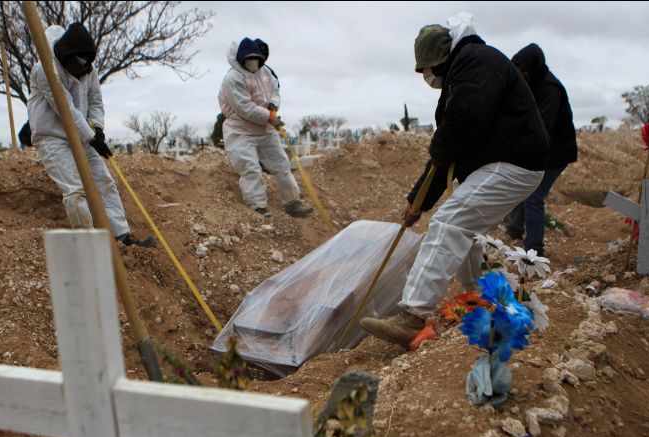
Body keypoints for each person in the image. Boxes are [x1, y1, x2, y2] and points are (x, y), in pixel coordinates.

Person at [360, 13, 550, 347]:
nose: (426, 77)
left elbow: (461, 125)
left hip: (516, 163)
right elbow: (446, 157)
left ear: (440, 60)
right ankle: (480, 297)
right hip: (508, 162)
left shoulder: (474, 62)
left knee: (450, 222)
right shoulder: (468, 70)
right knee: (464, 227)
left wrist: (437, 151)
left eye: (427, 69)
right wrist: (417, 201)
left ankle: (411, 316)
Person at [28, 23, 153, 247]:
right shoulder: (44, 69)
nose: (83, 69)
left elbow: (95, 102)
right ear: (65, 55)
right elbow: (64, 108)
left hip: (83, 135)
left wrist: (97, 129)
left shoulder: (89, 70)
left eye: (86, 64)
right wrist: (90, 136)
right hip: (52, 136)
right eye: (78, 64)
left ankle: (121, 237)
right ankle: (89, 245)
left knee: (105, 182)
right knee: (75, 191)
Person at [218, 37, 313, 218]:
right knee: (250, 168)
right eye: (250, 59)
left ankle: (292, 202)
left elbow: (275, 90)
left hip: (265, 129)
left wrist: (272, 106)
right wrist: (269, 116)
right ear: (241, 59)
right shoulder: (232, 78)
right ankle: (258, 207)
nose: (254, 63)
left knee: (281, 165)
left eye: (257, 59)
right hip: (241, 131)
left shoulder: (266, 72)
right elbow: (244, 107)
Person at [504, 43, 578, 256]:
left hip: (556, 153)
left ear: (532, 69)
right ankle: (514, 230)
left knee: (533, 196)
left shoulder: (549, 88)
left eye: (523, 72)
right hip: (541, 151)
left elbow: (543, 125)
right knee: (522, 187)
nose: (521, 77)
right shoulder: (532, 85)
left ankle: (534, 249)